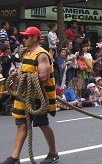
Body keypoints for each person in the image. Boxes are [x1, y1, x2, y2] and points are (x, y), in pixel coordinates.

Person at [0, 26, 59, 164]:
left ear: (35, 38)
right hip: (24, 96)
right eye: (24, 37)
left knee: (43, 124)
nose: (24, 39)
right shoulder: (27, 54)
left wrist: (23, 78)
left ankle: (53, 152)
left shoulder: (42, 55)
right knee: (21, 125)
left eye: (27, 37)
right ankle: (15, 157)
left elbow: (43, 76)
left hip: (37, 98)